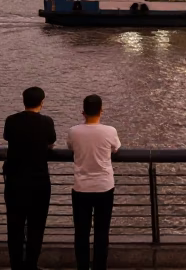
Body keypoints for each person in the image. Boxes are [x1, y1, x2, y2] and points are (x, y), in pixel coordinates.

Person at [4, 86, 57, 270]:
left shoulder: (11, 121)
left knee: (15, 226)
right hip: (39, 182)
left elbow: (8, 138)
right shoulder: (47, 122)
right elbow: (51, 142)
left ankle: (16, 265)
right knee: (36, 226)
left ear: (23, 101)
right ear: (42, 102)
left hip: (15, 181)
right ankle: (31, 265)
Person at [68, 94, 121, 270]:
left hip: (81, 187)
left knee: (81, 233)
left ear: (83, 113)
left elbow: (70, 147)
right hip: (104, 187)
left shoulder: (74, 131)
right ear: (101, 111)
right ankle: (100, 267)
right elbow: (116, 148)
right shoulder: (110, 131)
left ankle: (82, 267)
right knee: (101, 232)